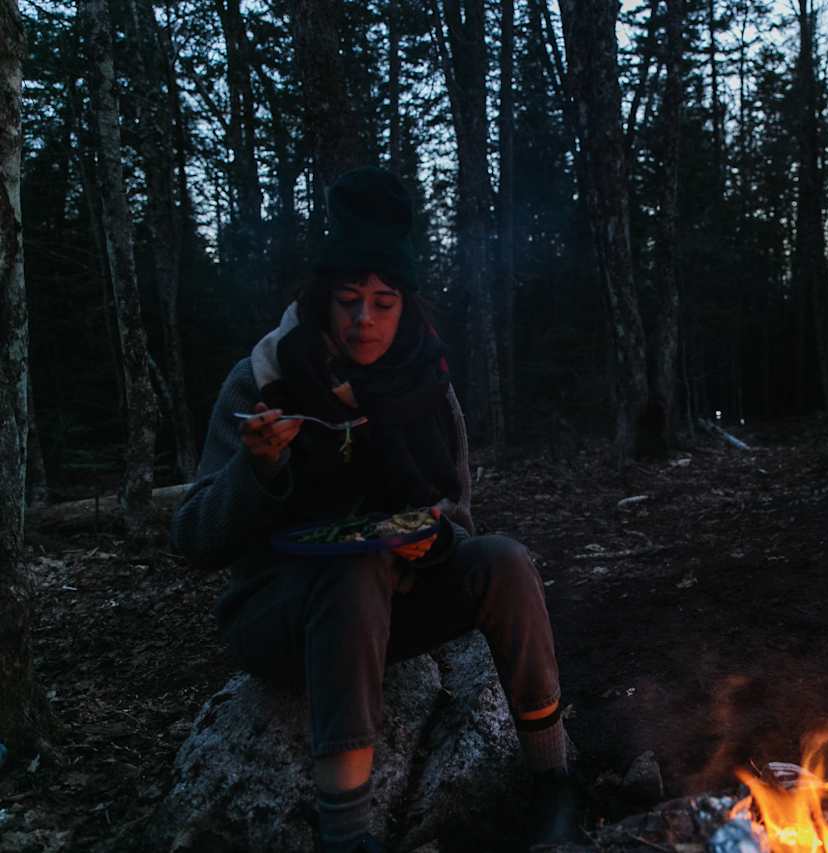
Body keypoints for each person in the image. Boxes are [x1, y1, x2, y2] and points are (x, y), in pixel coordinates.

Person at [171, 166, 576, 852]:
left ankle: (554, 784)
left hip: (395, 606)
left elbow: (457, 518)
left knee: (505, 562)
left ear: (405, 306)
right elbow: (193, 538)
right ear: (325, 299)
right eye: (350, 299)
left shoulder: (426, 384)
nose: (365, 318)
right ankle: (349, 832)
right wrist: (259, 466)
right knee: (355, 569)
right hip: (280, 617)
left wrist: (435, 541)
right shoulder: (263, 379)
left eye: (383, 301)